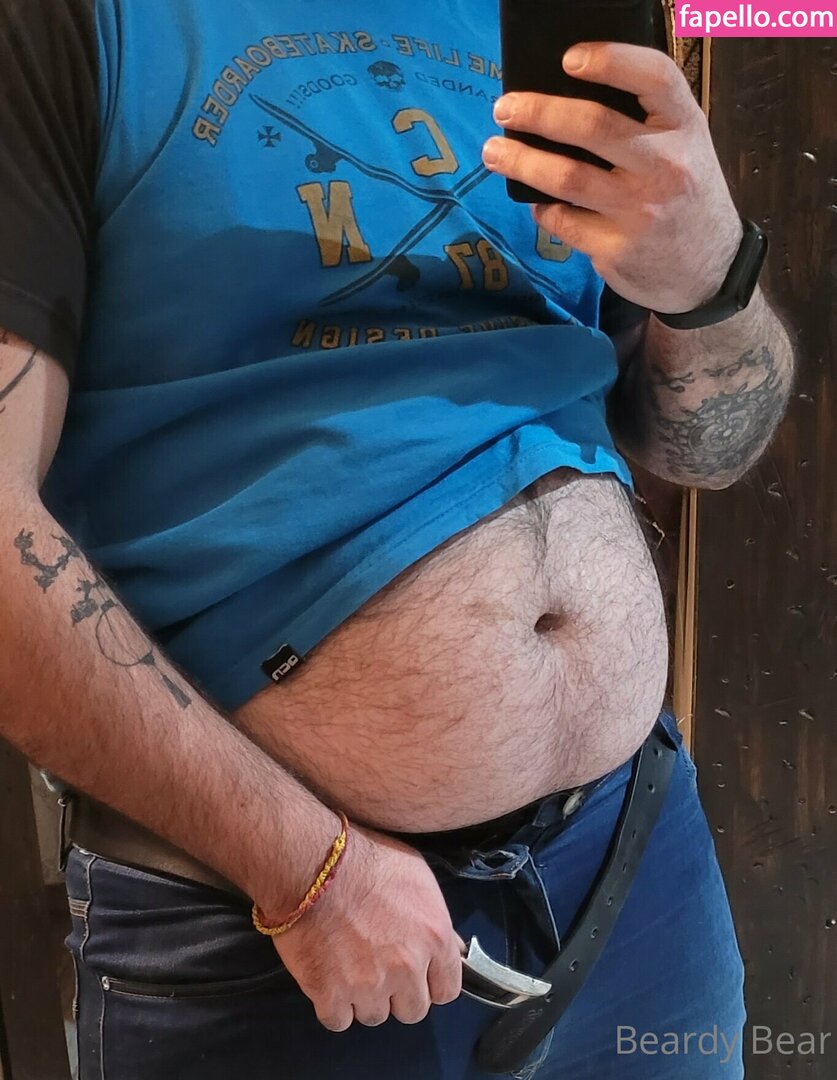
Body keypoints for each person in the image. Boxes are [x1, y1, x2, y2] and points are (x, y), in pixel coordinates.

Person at [0, 1, 794, 1077]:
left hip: (635, 860)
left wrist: (711, 285)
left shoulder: (547, 30)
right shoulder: (65, 25)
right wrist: (304, 871)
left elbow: (706, 450)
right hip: (276, 924)